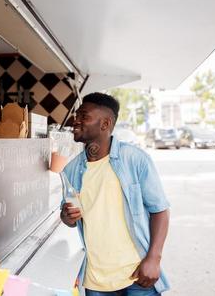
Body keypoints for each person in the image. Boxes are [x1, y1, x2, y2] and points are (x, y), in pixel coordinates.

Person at [61, 92, 170, 296]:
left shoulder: (134, 159)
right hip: (96, 281)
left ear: (105, 124)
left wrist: (154, 258)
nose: (75, 121)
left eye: (84, 116)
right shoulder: (70, 170)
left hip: (138, 274)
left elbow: (160, 210)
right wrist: (66, 216)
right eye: (77, 115)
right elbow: (68, 217)